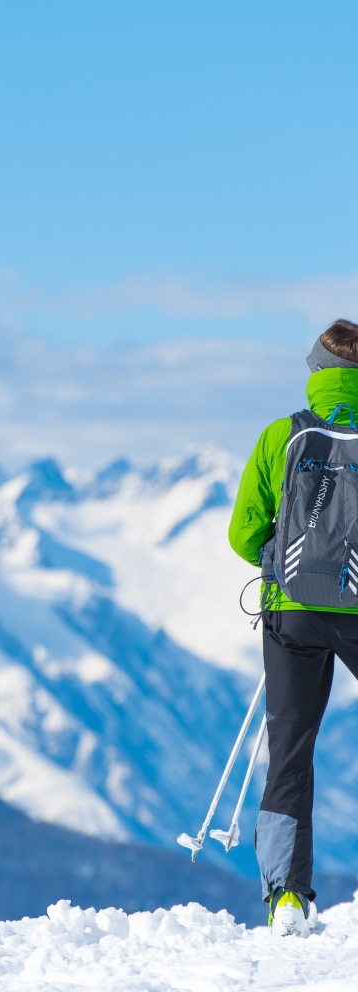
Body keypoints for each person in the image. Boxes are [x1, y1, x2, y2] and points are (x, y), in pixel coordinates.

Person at [228, 318, 358, 936]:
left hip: (293, 611)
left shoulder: (283, 436)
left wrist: (282, 560)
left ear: (315, 373)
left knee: (291, 752)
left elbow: (242, 534)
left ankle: (287, 897)